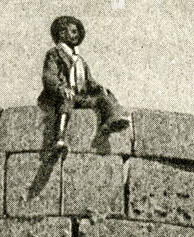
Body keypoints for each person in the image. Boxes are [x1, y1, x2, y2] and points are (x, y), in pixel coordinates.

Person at [38, 15, 130, 153]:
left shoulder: (80, 61)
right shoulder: (55, 54)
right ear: (62, 33)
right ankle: (59, 138)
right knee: (66, 101)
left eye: (78, 33)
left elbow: (89, 81)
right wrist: (61, 88)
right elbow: (49, 76)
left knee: (101, 97)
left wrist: (100, 89)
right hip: (59, 96)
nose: (77, 35)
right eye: (73, 31)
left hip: (78, 96)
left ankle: (110, 120)